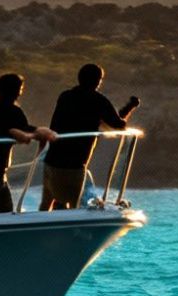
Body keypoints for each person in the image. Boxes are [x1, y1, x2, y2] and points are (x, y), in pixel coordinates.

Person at [41, 63, 138, 210]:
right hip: (74, 166)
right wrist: (131, 106)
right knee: (75, 206)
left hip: (51, 161)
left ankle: (44, 226)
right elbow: (118, 124)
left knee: (47, 203)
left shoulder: (65, 97)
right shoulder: (98, 101)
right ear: (98, 81)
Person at [0, 73, 57, 215]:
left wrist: (38, 132)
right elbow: (22, 134)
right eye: (20, 88)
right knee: (3, 214)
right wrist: (37, 135)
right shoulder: (13, 111)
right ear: (17, 91)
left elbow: (23, 128)